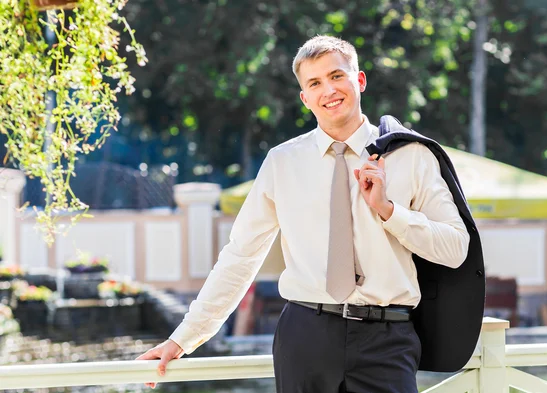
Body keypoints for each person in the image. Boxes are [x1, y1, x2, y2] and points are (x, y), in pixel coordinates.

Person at [136, 35, 470, 393]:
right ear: (305, 98)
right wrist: (183, 339)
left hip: (387, 341)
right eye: (315, 83)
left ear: (359, 80)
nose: (329, 90)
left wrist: (389, 212)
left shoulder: (412, 155)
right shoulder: (283, 162)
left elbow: (455, 249)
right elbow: (240, 256)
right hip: (305, 337)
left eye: (336, 76)